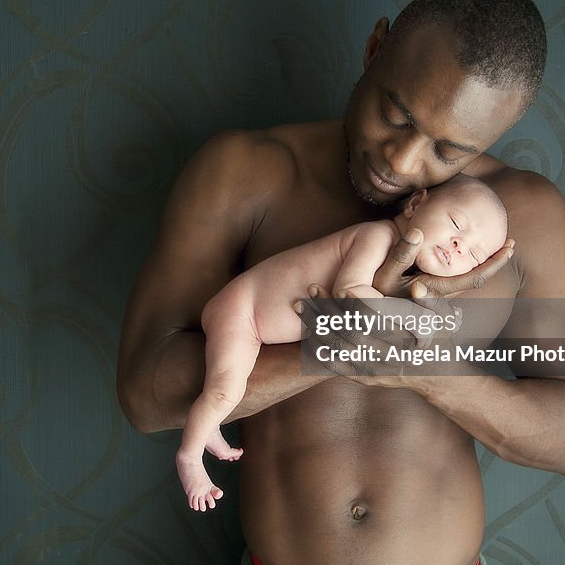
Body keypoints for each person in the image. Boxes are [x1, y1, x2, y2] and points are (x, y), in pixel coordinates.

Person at [119, 0, 565, 564]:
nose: (402, 161)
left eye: (448, 151)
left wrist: (419, 366)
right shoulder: (246, 173)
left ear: (494, 136)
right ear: (375, 49)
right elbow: (145, 395)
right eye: (397, 115)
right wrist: (338, 337)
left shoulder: (525, 217)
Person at [178, 175, 508, 512]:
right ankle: (189, 457)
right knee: (224, 391)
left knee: (224, 393)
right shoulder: (378, 236)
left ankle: (209, 429)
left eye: (473, 254)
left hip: (257, 328)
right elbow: (350, 295)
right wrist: (414, 317)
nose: (457, 245)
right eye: (456, 224)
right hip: (242, 312)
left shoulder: (408, 273)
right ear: (414, 204)